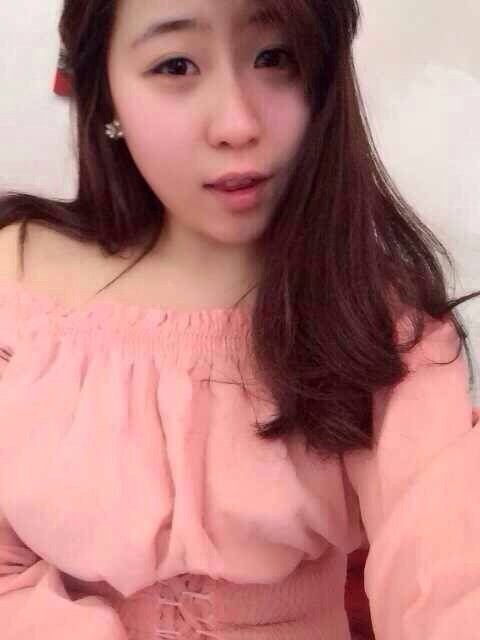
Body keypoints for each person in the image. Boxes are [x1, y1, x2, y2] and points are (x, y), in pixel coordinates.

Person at [0, 0, 479, 638]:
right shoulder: (16, 284)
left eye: (275, 57)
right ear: (103, 89)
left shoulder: (371, 312)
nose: (238, 123)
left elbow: (449, 566)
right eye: (176, 65)